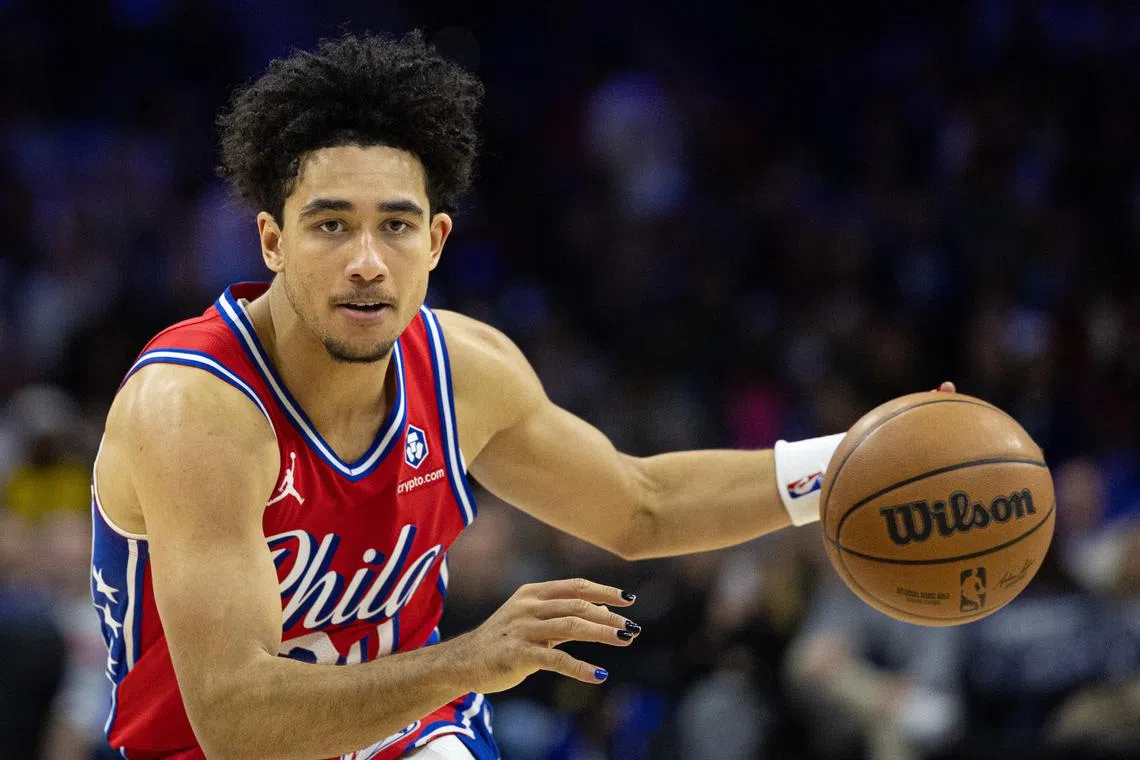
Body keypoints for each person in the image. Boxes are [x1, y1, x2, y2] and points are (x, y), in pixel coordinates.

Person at [90, 31, 952, 760]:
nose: (366, 259)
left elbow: (639, 507)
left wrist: (846, 462)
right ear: (272, 241)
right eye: (330, 225)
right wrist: (469, 658)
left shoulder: (466, 369)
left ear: (436, 240)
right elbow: (235, 719)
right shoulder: (195, 409)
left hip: (407, 731)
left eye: (394, 225)